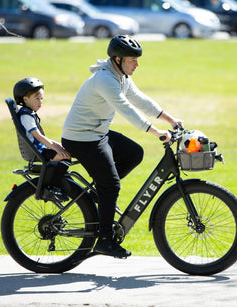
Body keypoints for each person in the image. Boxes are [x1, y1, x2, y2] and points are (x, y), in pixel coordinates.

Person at [61, 35, 184, 258]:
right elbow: (126, 109)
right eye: (132, 60)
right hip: (82, 138)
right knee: (111, 186)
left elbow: (140, 100)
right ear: (117, 59)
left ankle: (101, 192)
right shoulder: (105, 80)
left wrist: (170, 119)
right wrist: (156, 132)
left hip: (97, 133)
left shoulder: (121, 76)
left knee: (134, 153)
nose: (137, 64)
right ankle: (105, 240)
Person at [13, 77, 71, 201]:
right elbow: (39, 137)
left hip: (41, 149)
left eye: (41, 99)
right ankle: (53, 188)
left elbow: (43, 138)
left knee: (65, 153)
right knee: (66, 156)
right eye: (37, 99)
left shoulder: (28, 114)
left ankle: (64, 184)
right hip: (39, 152)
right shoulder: (26, 117)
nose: (40, 103)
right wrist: (55, 147)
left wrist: (58, 145)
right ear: (25, 99)